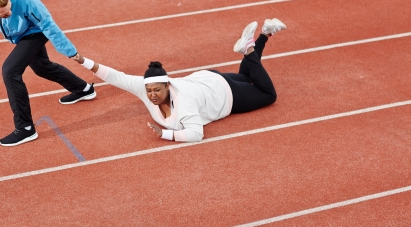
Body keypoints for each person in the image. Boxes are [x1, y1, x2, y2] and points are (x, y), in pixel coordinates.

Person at [71, 19, 286, 142]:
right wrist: (83, 61)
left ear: (168, 85)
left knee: (268, 95)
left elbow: (196, 134)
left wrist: (164, 134)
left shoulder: (183, 103)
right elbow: (115, 76)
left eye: (157, 90)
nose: (152, 95)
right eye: (150, 91)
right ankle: (265, 33)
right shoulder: (146, 88)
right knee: (247, 76)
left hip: (224, 95)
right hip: (208, 79)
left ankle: (249, 50)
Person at [0, 0, 96, 147]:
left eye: (9, 9)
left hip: (35, 30)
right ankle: (83, 89)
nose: (9, 13)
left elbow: (48, 24)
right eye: (3, 13)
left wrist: (70, 51)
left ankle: (25, 128)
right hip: (19, 34)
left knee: (10, 71)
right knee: (42, 68)